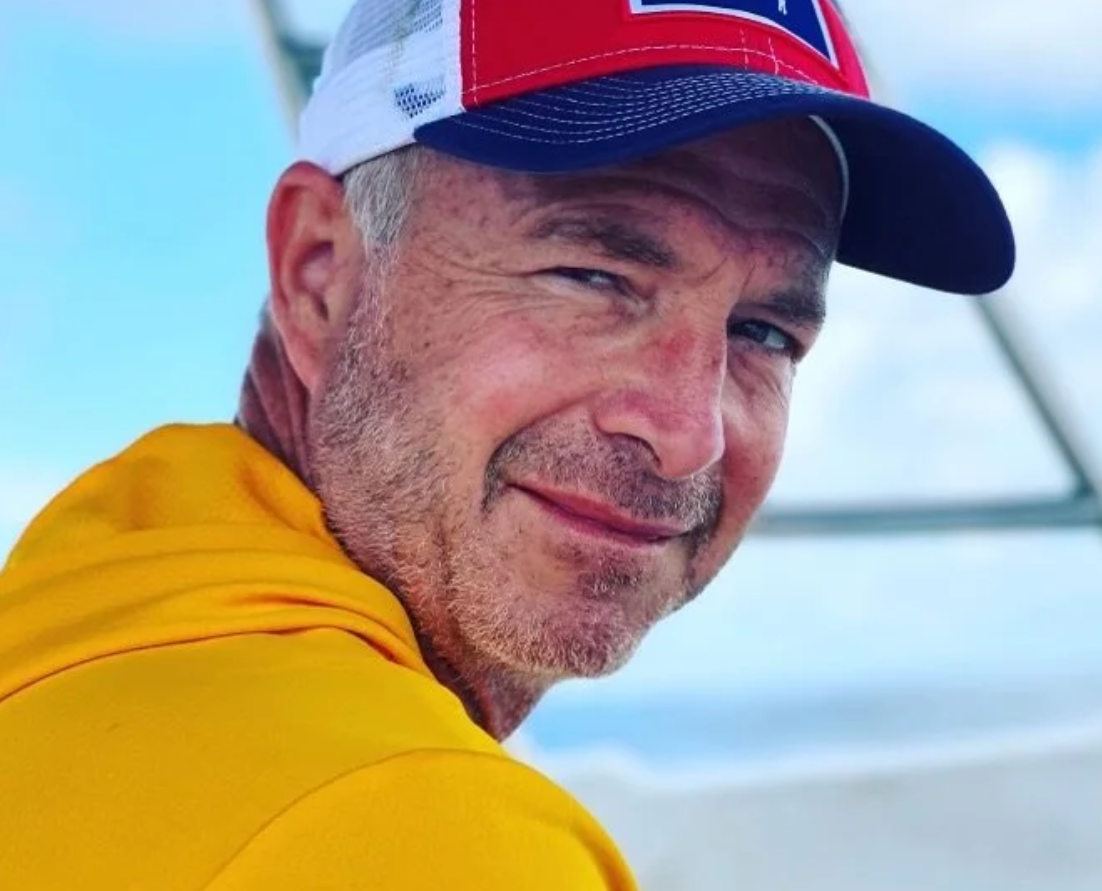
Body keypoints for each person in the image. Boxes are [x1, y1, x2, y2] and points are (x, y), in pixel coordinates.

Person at [0, 1, 1014, 888]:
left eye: (762, 334)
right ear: (319, 272)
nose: (684, 434)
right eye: (591, 277)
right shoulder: (415, 829)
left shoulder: (80, 623)